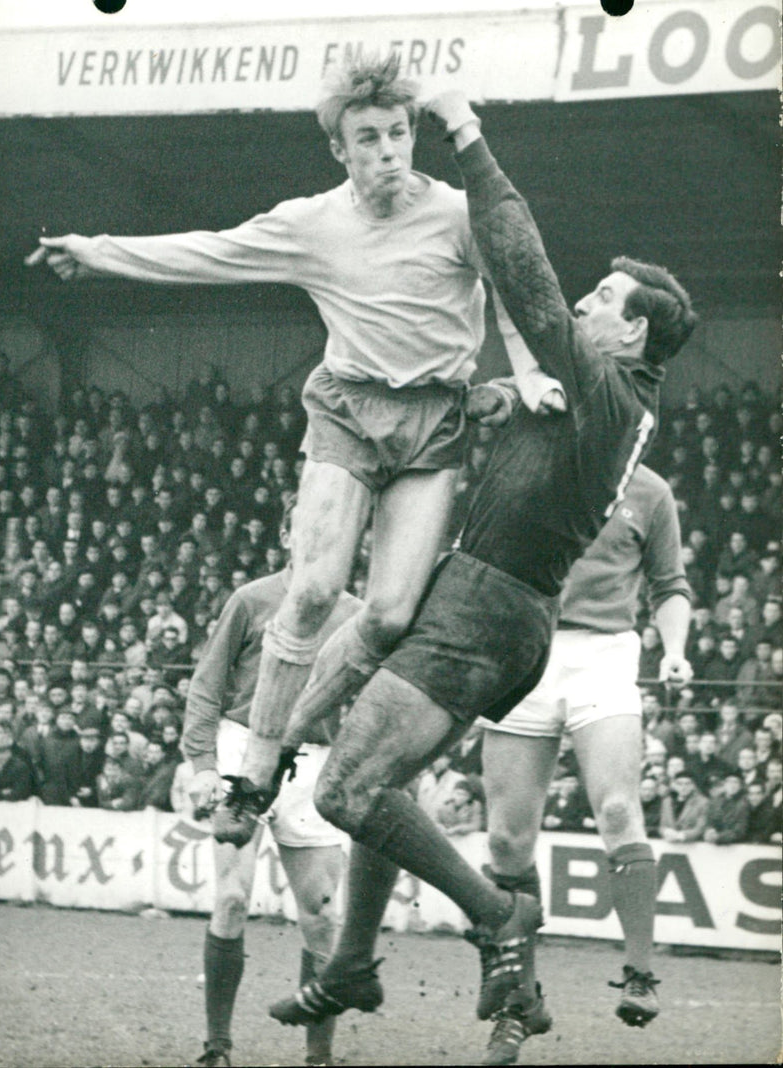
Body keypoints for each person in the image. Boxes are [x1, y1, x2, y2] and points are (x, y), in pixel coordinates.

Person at [267, 90, 696, 1064]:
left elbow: (525, 274)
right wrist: (494, 394)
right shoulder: (603, 402)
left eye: (603, 303)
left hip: (487, 608)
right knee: (384, 779)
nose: (583, 306)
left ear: (629, 335)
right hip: (496, 608)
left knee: (342, 793)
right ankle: (353, 968)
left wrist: (467, 138)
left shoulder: (605, 388)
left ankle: (496, 919)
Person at [25, 54, 561, 832]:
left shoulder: (452, 212)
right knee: (311, 592)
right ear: (340, 149)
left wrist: (529, 371)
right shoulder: (314, 224)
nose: (388, 149)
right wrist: (97, 248)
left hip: (432, 422)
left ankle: (286, 741)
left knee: (383, 618)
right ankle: (256, 765)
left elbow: (510, 284)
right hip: (347, 411)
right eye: (369, 137)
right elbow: (208, 252)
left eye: (400, 132)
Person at [477, 462, 691, 1046]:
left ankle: (640, 974)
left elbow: (670, 585)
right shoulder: (529, 471)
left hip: (603, 655)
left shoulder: (650, 491)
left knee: (619, 809)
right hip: (523, 648)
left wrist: (674, 649)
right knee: (505, 840)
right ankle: (520, 1000)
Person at [182, 507, 362, 1068]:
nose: (315, 539)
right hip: (242, 747)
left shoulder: (360, 615)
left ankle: (319, 1057)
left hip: (314, 761)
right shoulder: (251, 599)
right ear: (285, 535)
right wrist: (203, 764)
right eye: (304, 528)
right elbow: (207, 686)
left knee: (323, 916)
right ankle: (218, 1046)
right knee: (232, 897)